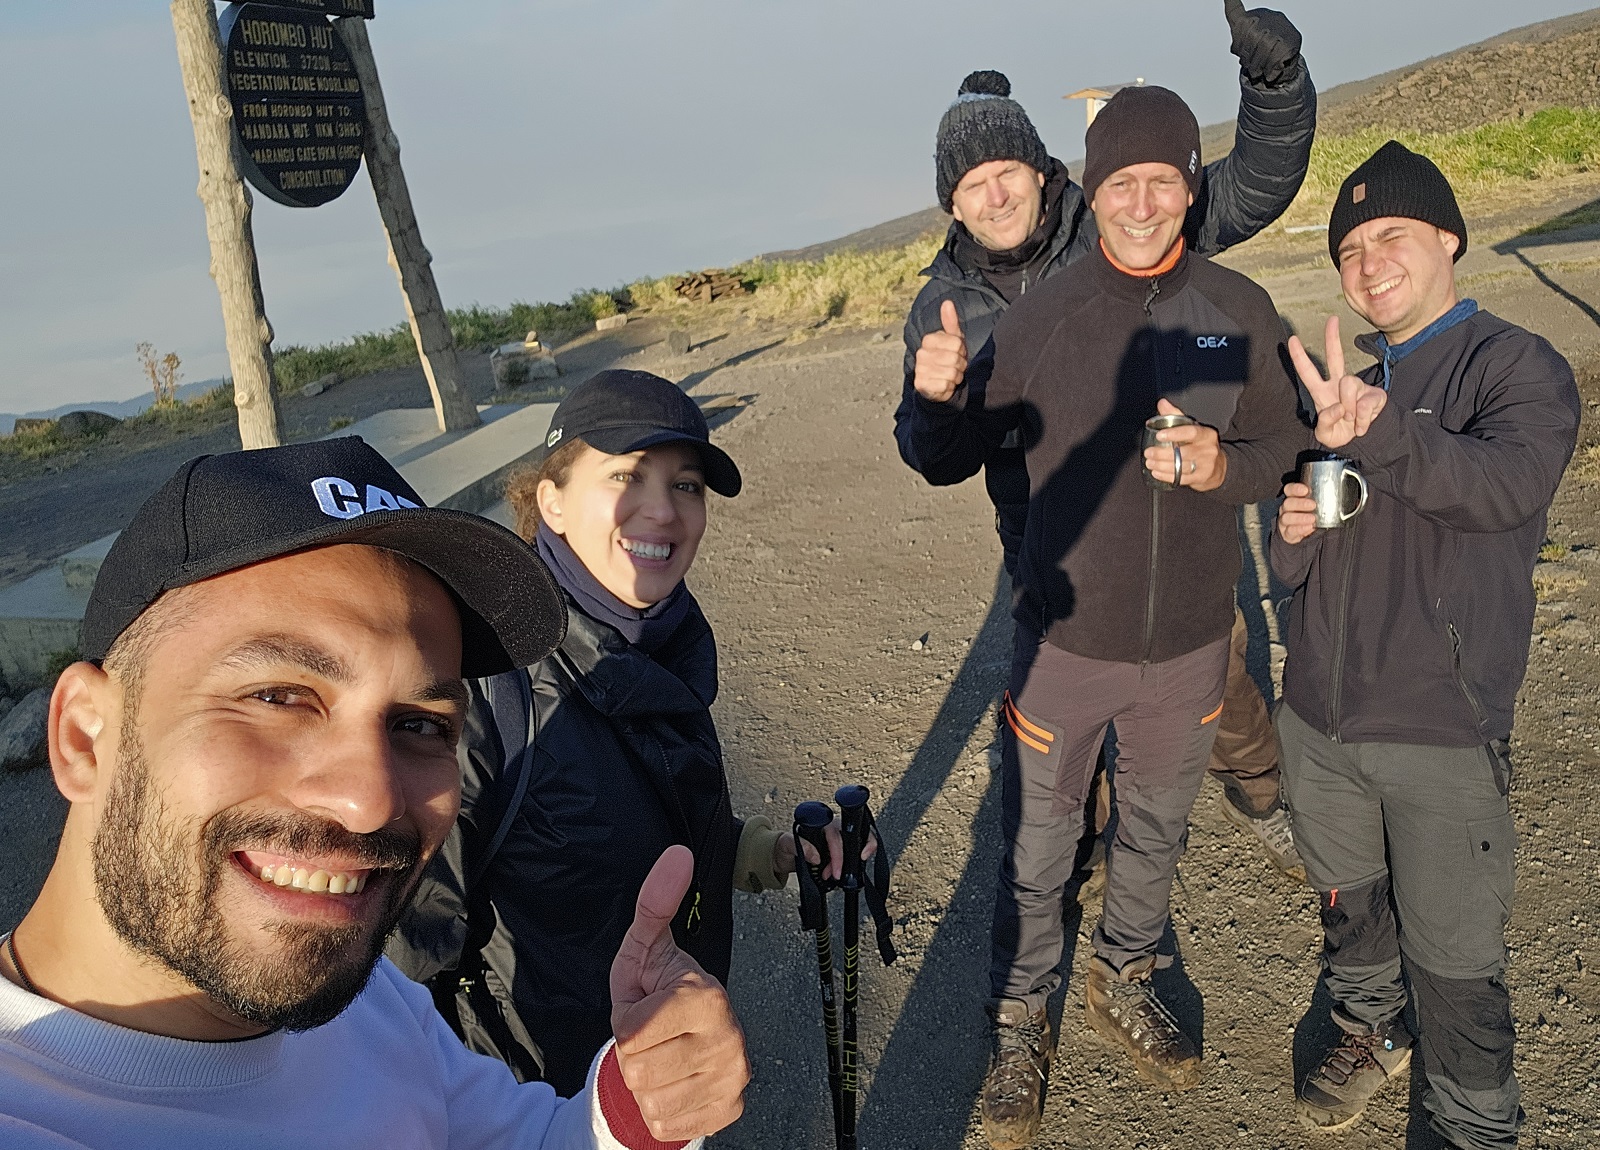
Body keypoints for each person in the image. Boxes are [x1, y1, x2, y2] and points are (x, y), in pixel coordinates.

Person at [0, 437, 749, 1149]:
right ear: (83, 738)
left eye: (421, 725)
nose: (369, 801)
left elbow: (526, 1136)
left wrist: (637, 1105)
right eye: (278, 696)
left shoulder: (369, 1001)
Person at [904, 85, 1306, 1146]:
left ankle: (1126, 967)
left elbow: (1279, 445)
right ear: (1088, 187)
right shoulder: (1042, 319)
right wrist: (932, 398)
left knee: (1155, 831)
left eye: (1161, 180)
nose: (1140, 202)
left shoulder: (1235, 312)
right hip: (1065, 648)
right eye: (1119, 181)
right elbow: (945, 459)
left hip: (1185, 651)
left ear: (1188, 185)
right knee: (1038, 852)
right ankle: (1021, 1020)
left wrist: (1227, 462)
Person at [893, 0, 1317, 878]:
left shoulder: (1123, 216)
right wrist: (934, 402)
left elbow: (1249, 188)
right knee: (1059, 713)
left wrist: (1275, 85)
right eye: (972, 185)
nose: (995, 193)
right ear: (953, 205)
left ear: (1045, 171)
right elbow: (936, 455)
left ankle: (1261, 786)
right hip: (1049, 538)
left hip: (1179, 511)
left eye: (1008, 169)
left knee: (1221, 662)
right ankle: (1076, 848)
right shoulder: (944, 309)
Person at [390, 370, 867, 1096]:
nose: (664, 512)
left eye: (686, 485)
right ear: (551, 501)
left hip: (662, 1081)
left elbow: (642, 821)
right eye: (626, 476)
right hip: (541, 1108)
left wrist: (766, 853)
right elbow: (395, 973)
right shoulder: (485, 696)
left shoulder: (661, 644)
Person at [1273, 142, 1580, 1149]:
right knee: (1350, 908)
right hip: (1322, 718)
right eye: (1350, 248)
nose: (1368, 263)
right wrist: (1291, 541)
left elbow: (1503, 489)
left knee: (1454, 962)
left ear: (1448, 237)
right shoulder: (1348, 389)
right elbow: (1324, 555)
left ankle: (1472, 1124)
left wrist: (1381, 434)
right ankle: (1369, 1025)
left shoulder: (1513, 364)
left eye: (1390, 236)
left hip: (1440, 725)